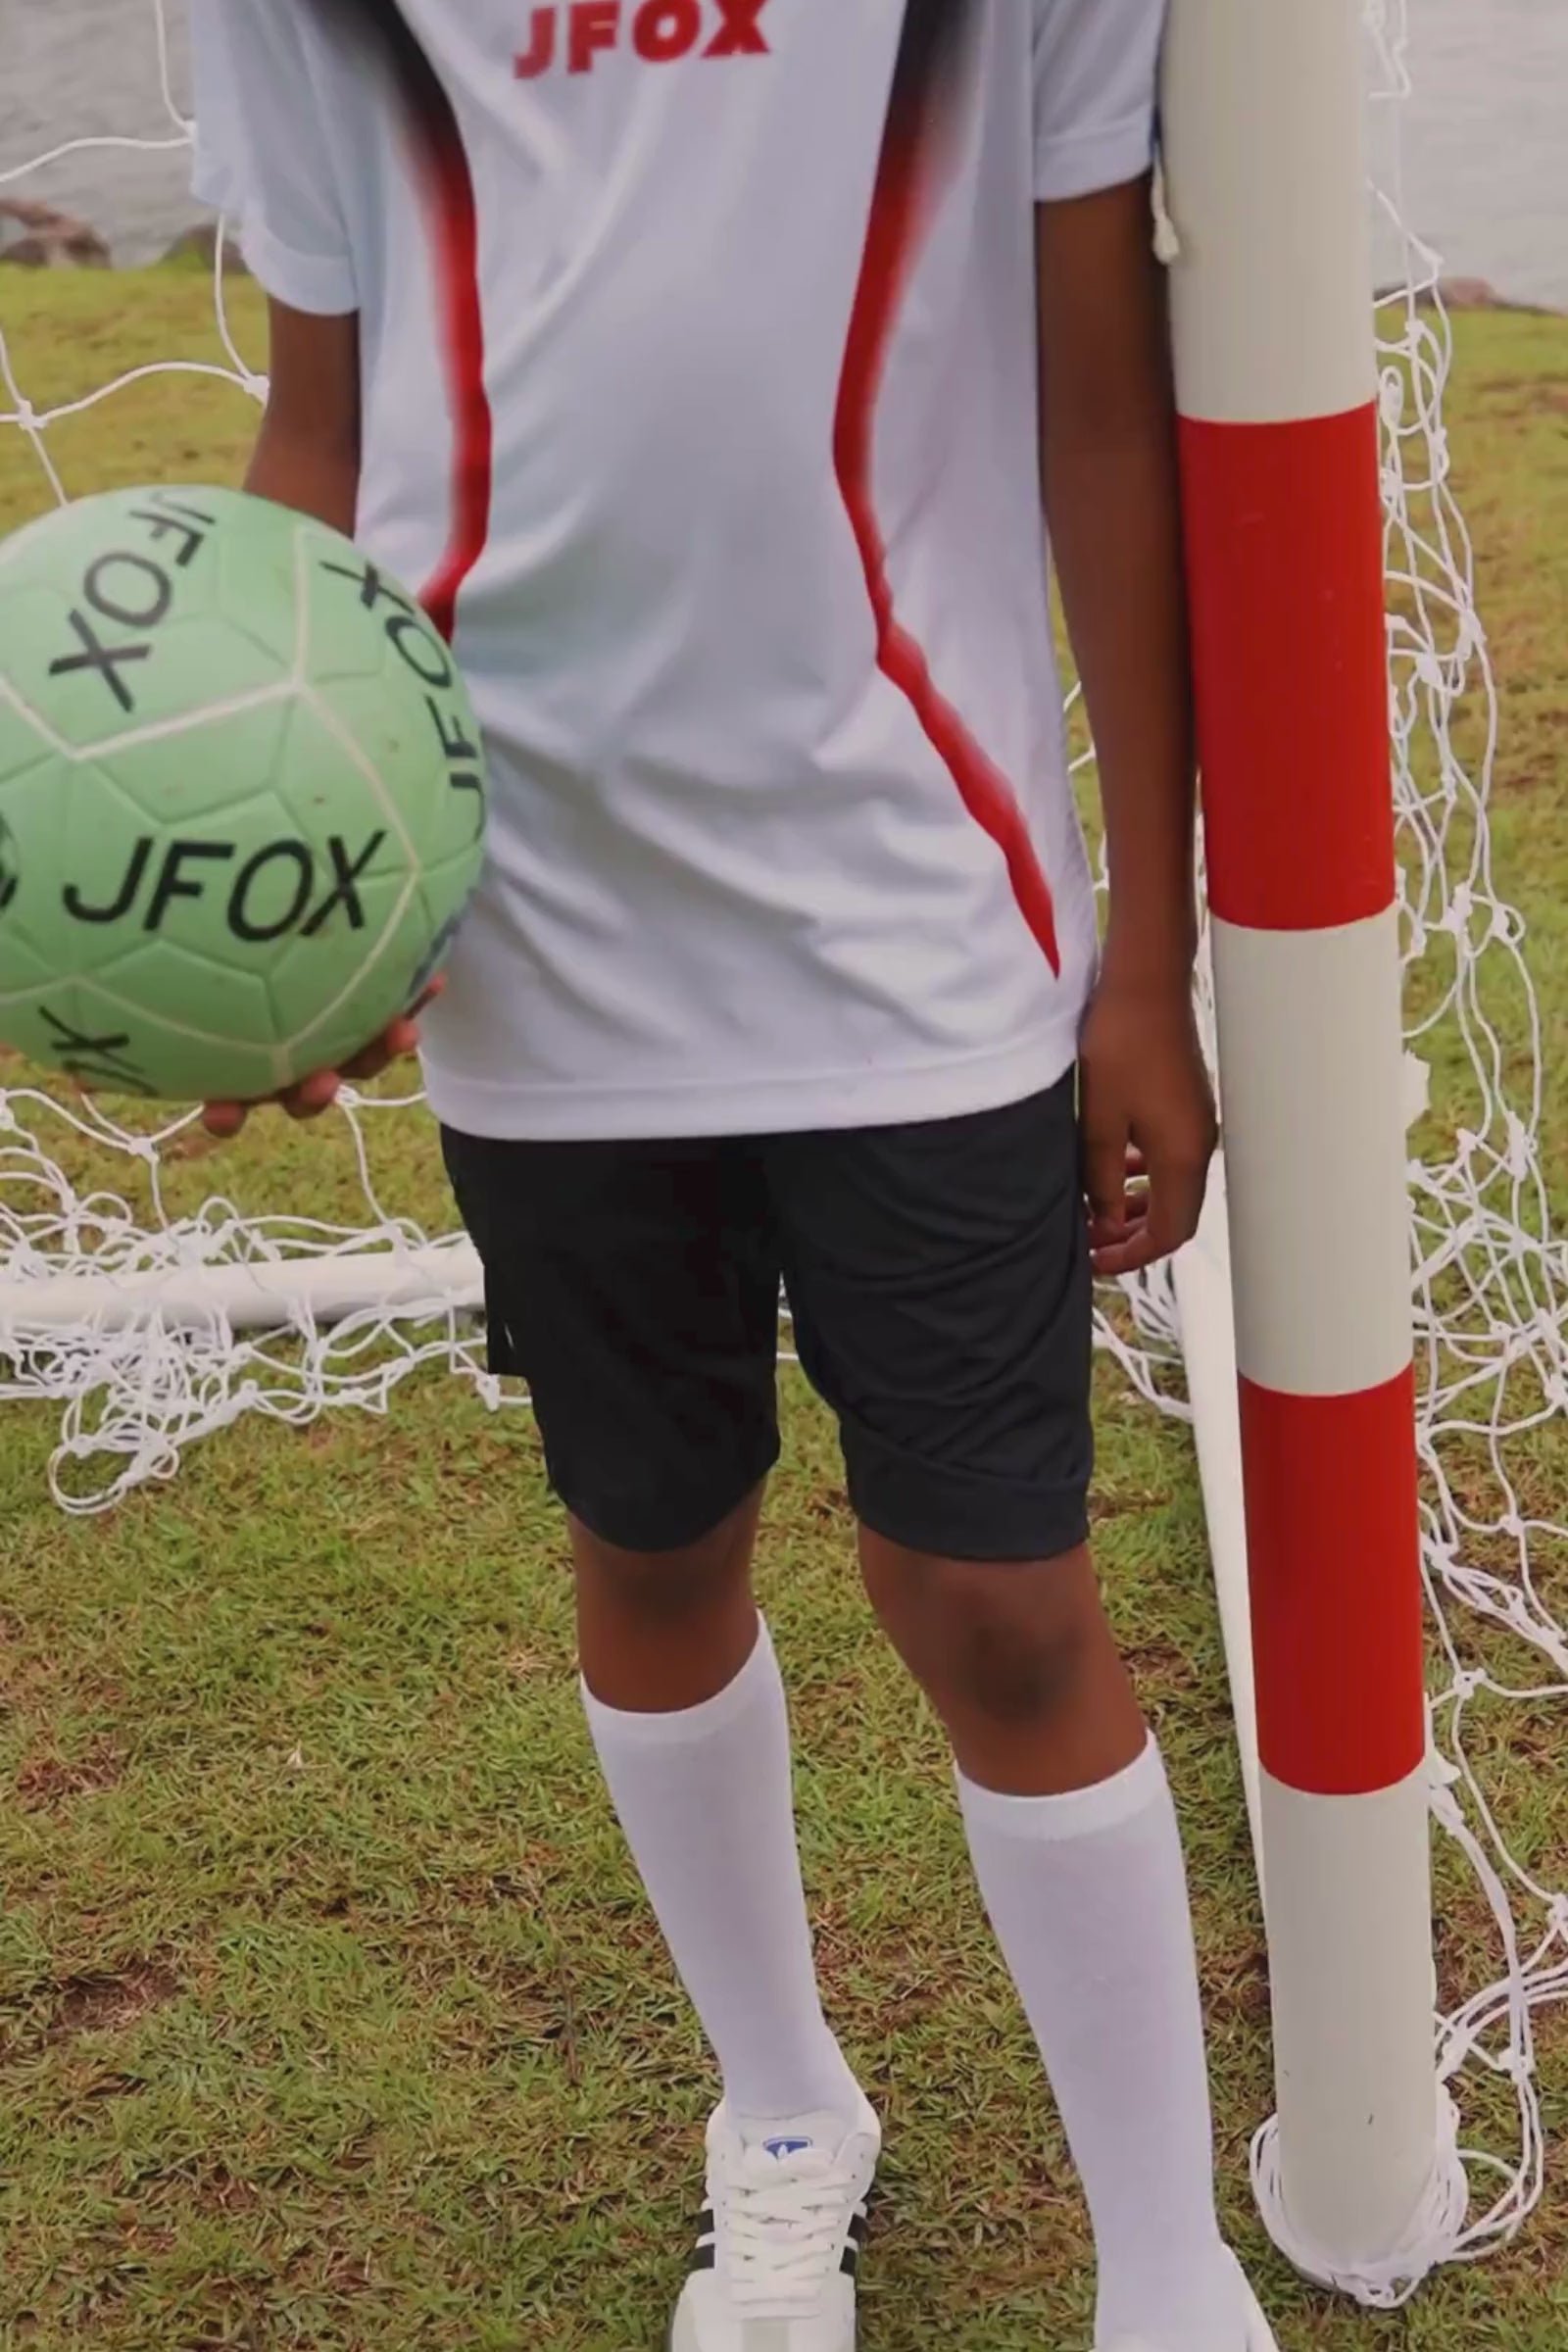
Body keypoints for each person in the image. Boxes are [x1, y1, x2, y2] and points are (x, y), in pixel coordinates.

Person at [191, 3, 1279, 2346]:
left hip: (913, 894)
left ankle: (1165, 2266)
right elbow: (321, 425)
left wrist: (1144, 958)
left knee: (998, 1598)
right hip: (527, 922)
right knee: (653, 1543)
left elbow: (1098, 404)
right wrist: (297, 884)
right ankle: (781, 2111)